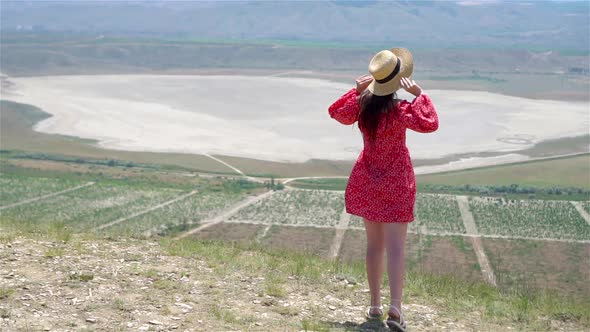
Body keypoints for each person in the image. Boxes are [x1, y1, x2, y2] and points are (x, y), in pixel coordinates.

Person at [328, 48, 438, 331]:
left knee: (374, 246)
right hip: (397, 181)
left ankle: (375, 305)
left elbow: (337, 113)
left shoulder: (364, 106)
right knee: (396, 248)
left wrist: (355, 90)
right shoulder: (401, 110)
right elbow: (430, 124)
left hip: (367, 179)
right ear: (398, 80)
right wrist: (420, 95)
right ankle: (396, 309)